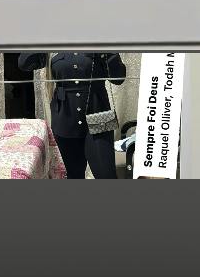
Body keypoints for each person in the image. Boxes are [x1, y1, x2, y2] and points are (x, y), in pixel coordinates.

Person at [16, 49, 126, 180]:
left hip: (99, 112)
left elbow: (119, 78)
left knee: (106, 175)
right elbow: (24, 63)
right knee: (74, 175)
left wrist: (106, 46)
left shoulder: (98, 42)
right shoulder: (54, 44)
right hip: (65, 116)